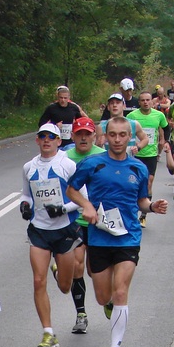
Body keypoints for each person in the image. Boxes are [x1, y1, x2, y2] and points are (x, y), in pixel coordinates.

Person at [66, 116, 169, 347]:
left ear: (129, 137)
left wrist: (152, 207)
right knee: (103, 297)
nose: (118, 139)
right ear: (105, 137)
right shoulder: (93, 164)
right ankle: (110, 303)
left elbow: (142, 201)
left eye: (123, 135)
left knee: (121, 291)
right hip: (100, 238)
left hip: (128, 237)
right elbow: (71, 190)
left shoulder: (139, 168)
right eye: (113, 135)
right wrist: (87, 206)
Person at [20, 123, 81, 347]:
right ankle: (48, 333)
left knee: (65, 287)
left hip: (64, 229)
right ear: (37, 140)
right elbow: (25, 194)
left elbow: (82, 198)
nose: (46, 140)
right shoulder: (28, 167)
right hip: (39, 230)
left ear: (58, 141)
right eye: (42, 136)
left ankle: (59, 271)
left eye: (51, 137)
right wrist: (25, 206)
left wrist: (63, 209)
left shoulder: (68, 165)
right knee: (38, 280)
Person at [62, 116, 106, 334]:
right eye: (79, 134)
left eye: (87, 134)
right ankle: (81, 314)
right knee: (77, 266)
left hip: (100, 221)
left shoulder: (103, 156)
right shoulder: (64, 157)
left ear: (94, 136)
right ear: (73, 136)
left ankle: (106, 299)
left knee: (93, 271)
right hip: (75, 220)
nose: (83, 138)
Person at [127, 91, 169, 226]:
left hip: (151, 155)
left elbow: (166, 128)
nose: (145, 102)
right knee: (133, 183)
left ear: (152, 101)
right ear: (139, 102)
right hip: (135, 155)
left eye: (148, 100)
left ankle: (144, 215)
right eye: (142, 100)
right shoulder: (132, 116)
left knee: (148, 183)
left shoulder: (159, 115)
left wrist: (165, 141)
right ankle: (133, 209)